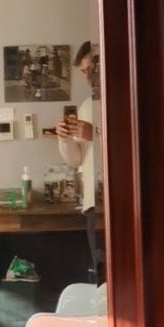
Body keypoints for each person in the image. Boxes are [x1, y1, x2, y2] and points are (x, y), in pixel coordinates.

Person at [57, 41, 104, 278]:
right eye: (83, 72)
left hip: (118, 201)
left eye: (89, 70)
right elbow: (76, 161)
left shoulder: (124, 101)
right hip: (92, 203)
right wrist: (64, 139)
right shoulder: (86, 106)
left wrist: (94, 133)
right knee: (100, 269)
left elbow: (132, 146)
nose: (87, 77)